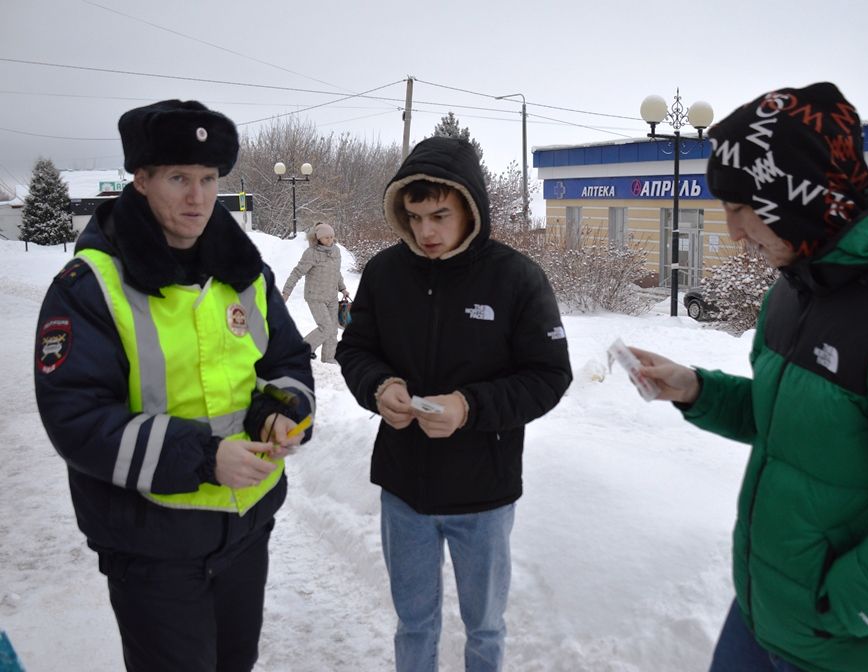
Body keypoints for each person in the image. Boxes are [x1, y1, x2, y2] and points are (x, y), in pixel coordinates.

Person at [629, 82, 868, 672]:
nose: (733, 232)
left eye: (742, 208)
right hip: (768, 613)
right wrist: (696, 389)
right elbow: (791, 426)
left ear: (798, 195)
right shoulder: (800, 288)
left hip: (852, 644)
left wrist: (835, 606)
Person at [33, 99, 316, 672]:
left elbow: (287, 362)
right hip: (150, 545)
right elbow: (78, 417)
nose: (197, 197)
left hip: (245, 530)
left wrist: (278, 412)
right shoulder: (90, 284)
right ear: (141, 180)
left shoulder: (246, 272)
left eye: (209, 179)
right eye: (178, 178)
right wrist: (207, 458)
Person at [338, 136, 572, 672]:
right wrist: (379, 388)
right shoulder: (384, 273)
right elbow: (356, 350)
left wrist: (470, 407)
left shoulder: (516, 278)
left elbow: (550, 375)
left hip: (484, 495)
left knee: (485, 628)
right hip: (404, 489)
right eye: (415, 216)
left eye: (440, 214)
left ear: (471, 207)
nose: (426, 231)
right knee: (414, 624)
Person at [281, 221, 350, 362]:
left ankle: (329, 359)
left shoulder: (336, 251)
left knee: (333, 331)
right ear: (318, 238)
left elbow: (336, 272)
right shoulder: (311, 254)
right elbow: (297, 273)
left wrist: (342, 288)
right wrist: (286, 292)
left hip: (332, 295)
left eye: (331, 237)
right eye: (326, 237)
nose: (330, 240)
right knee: (326, 327)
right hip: (315, 297)